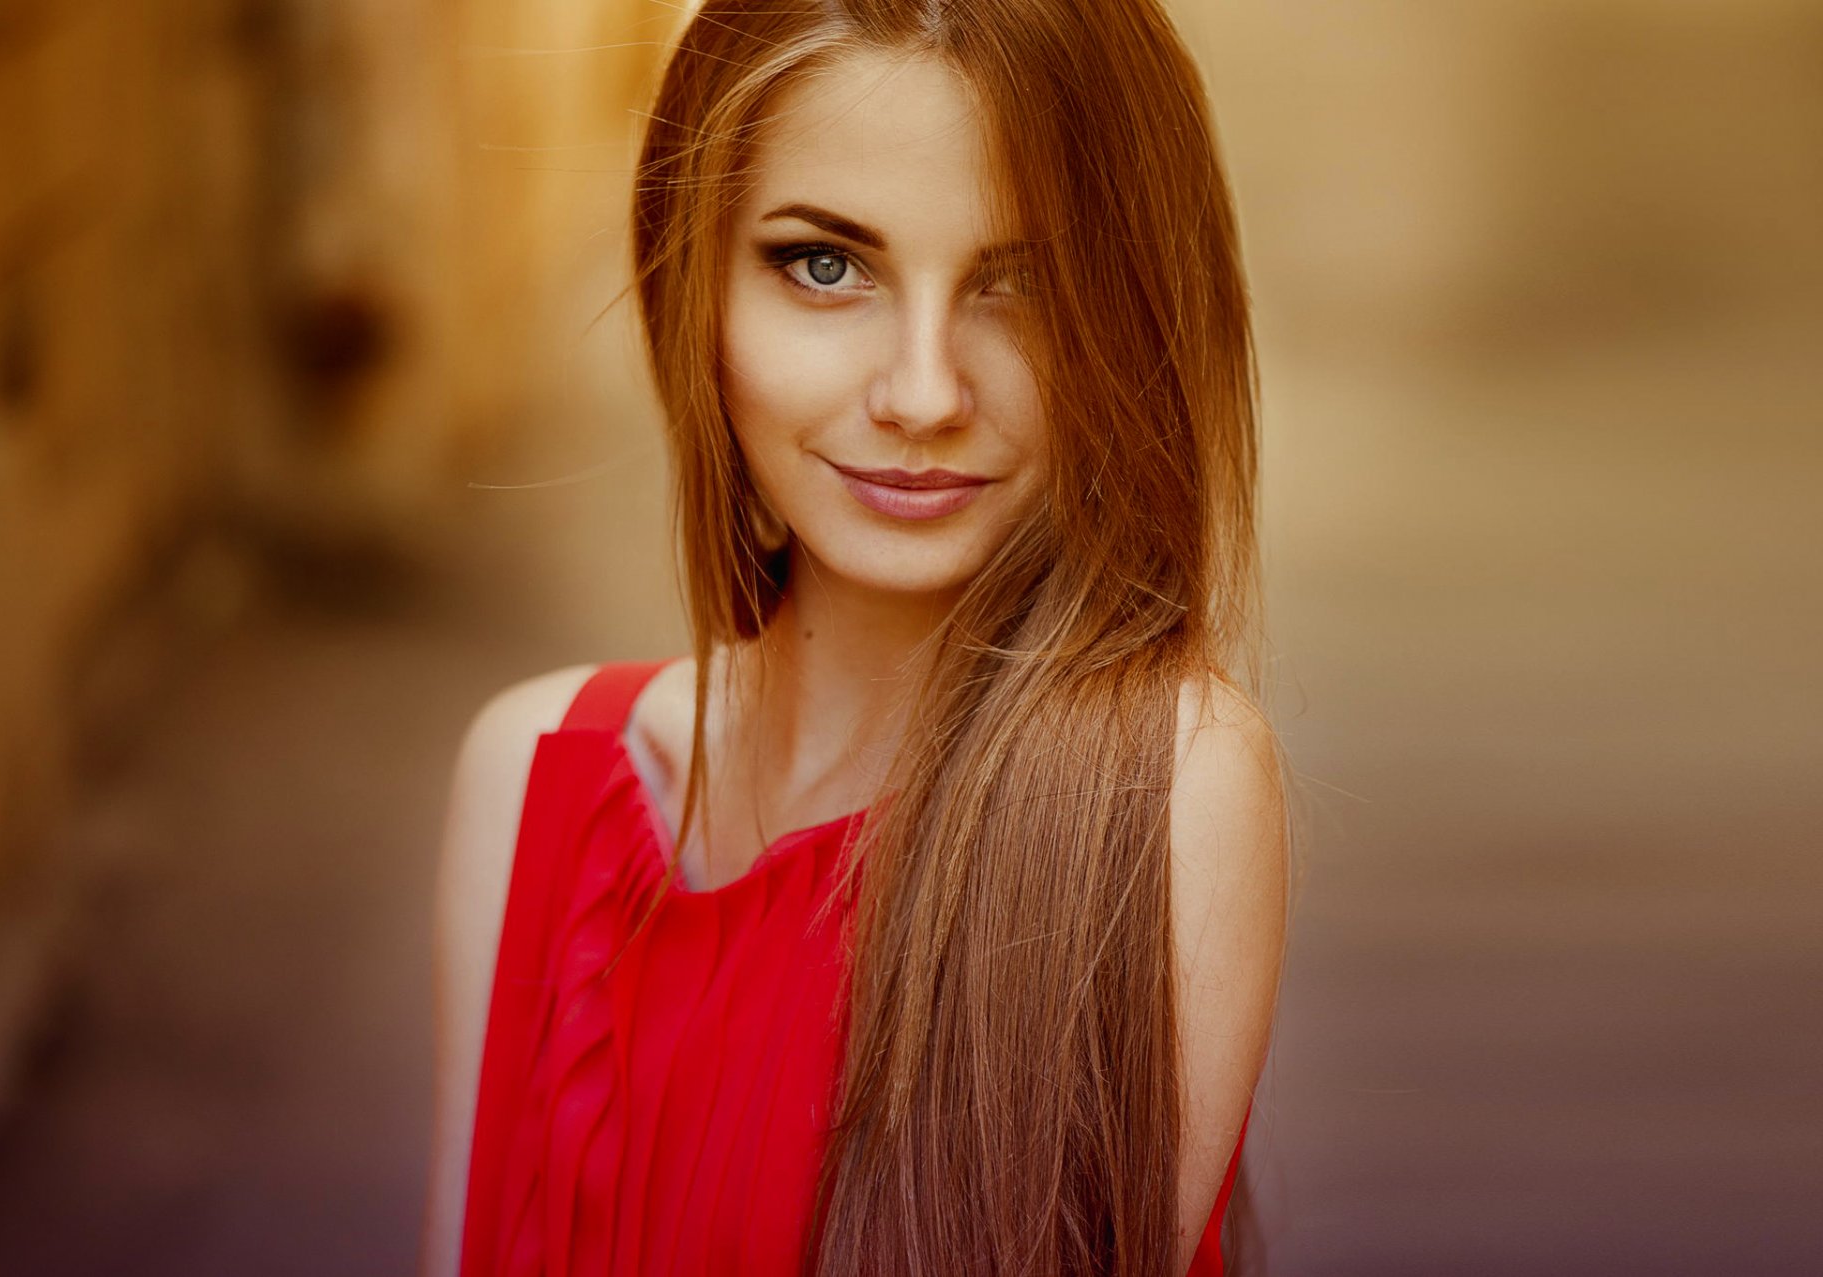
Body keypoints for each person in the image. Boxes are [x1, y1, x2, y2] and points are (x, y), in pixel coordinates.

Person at [422, 1, 1290, 1274]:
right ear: (691, 285)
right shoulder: (530, 775)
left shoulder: (1162, 786)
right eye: (827, 265)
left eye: (1024, 283)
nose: (925, 392)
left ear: (1137, 318)